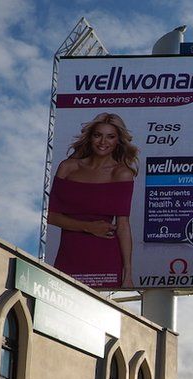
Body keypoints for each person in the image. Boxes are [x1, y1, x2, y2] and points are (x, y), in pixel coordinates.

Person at [47, 112, 137, 288]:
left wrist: (128, 273)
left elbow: (123, 224)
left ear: (118, 140)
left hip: (106, 258)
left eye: (110, 137)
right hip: (69, 255)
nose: (103, 142)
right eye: (98, 135)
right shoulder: (68, 168)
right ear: (90, 137)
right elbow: (50, 216)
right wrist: (88, 227)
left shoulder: (121, 173)